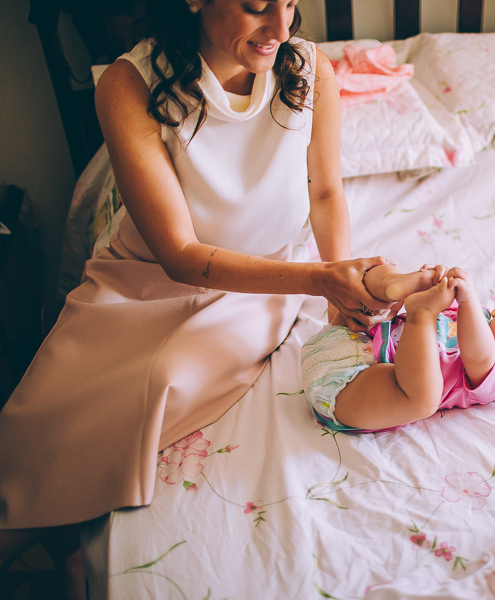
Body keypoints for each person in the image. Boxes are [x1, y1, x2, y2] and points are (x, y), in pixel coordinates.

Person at [0, 0, 394, 595]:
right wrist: (321, 280)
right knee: (36, 425)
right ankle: (45, 538)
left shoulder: (309, 70)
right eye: (257, 7)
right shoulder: (128, 84)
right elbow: (179, 255)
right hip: (143, 279)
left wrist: (337, 283)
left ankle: (60, 534)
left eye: (290, 4)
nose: (281, 29)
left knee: (165, 379)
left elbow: (326, 191)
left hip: (257, 287)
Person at [300, 264, 495, 432]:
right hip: (348, 335)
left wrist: (457, 303)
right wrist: (428, 285)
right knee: (379, 274)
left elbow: (478, 355)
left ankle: (418, 315)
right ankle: (392, 284)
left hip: (351, 391)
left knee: (424, 399)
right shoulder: (458, 308)